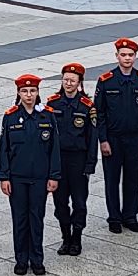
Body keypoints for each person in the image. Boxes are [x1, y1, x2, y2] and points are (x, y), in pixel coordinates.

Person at [0, 74, 61, 275]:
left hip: (40, 178)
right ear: (18, 93)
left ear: (38, 92)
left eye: (32, 91)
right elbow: (4, 149)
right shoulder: (10, 117)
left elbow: (55, 149)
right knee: (20, 219)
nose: (28, 95)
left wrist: (54, 176)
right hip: (17, 178)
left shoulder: (47, 116)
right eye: (24, 91)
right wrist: (4, 176)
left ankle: (37, 259)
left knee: (37, 218)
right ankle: (21, 260)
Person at [94, 38, 138, 234]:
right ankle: (114, 217)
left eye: (130, 55)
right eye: (123, 55)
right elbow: (98, 113)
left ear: (135, 57)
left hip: (135, 139)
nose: (127, 58)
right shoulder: (106, 80)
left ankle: (130, 216)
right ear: (117, 56)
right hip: (112, 138)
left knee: (133, 179)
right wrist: (102, 139)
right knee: (112, 179)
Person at [46, 64, 97, 256]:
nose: (68, 83)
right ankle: (65, 237)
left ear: (79, 83)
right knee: (60, 202)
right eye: (65, 80)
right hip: (58, 160)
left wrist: (90, 163)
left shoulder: (87, 106)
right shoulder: (53, 104)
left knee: (79, 202)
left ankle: (77, 237)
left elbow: (93, 138)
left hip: (78, 160)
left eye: (72, 81)